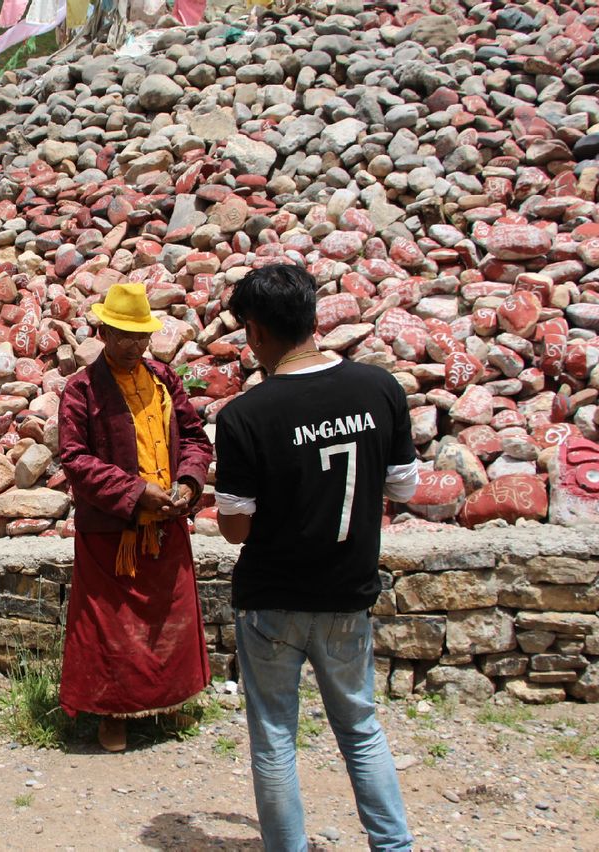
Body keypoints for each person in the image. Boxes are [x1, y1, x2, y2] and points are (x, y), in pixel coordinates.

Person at [213, 264, 418, 851]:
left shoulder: (243, 416)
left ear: (254, 332)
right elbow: (403, 487)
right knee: (361, 728)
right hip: (347, 593)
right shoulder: (379, 388)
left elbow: (234, 528)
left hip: (273, 598)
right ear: (312, 317)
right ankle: (394, 845)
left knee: (275, 737)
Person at [58, 282, 213, 753]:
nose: (134, 345)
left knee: (170, 617)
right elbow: (75, 458)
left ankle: (167, 699)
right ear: (103, 332)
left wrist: (187, 482)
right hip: (113, 531)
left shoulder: (165, 378)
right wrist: (134, 491)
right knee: (111, 626)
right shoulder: (81, 389)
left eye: (141, 336)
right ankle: (112, 713)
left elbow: (194, 438)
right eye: (124, 335)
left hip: (165, 524)